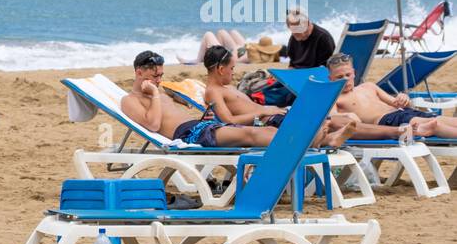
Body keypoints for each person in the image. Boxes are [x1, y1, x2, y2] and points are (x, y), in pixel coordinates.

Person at [122, 50, 355, 149]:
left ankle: (319, 141)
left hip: (200, 127)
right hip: (188, 134)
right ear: (139, 72)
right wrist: (153, 95)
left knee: (264, 133)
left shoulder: (159, 92)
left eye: (161, 75)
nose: (158, 81)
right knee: (250, 134)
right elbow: (152, 125)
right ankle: (313, 142)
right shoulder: (130, 100)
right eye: (154, 76)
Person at [327, 53, 457, 139]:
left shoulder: (369, 86)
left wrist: (403, 99)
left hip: (404, 112)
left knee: (439, 118)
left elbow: (396, 103)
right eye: (339, 77)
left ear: (354, 73)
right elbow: (331, 117)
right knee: (434, 125)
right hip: (389, 121)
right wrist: (347, 116)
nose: (345, 80)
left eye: (348, 75)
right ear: (331, 79)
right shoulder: (336, 99)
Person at [202, 45, 289, 128]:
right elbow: (229, 121)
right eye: (231, 68)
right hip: (269, 123)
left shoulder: (225, 88)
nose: (233, 73)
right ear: (221, 69)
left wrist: (266, 109)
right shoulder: (213, 91)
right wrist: (263, 112)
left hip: (272, 116)